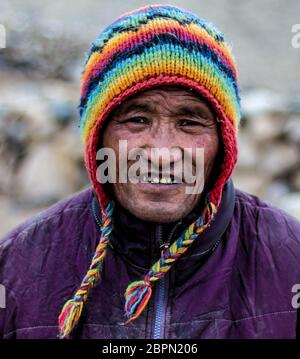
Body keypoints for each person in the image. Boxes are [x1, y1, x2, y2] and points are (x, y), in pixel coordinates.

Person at [1, 4, 300, 339]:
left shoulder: (291, 259)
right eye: (137, 120)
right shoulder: (18, 265)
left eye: (189, 122)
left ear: (224, 143)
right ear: (97, 137)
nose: (161, 153)